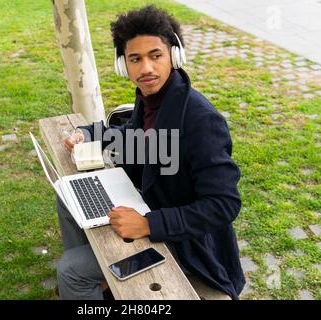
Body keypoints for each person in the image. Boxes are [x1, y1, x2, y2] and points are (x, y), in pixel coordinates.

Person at [56, 5, 245, 300]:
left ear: (174, 55)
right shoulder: (152, 99)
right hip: (149, 206)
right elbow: (136, 135)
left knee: (71, 269)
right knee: (67, 197)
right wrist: (90, 133)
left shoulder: (200, 120)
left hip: (186, 244)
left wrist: (148, 224)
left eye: (155, 55)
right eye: (135, 59)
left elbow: (223, 205)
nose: (146, 68)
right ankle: (101, 277)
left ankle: (88, 278)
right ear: (124, 66)